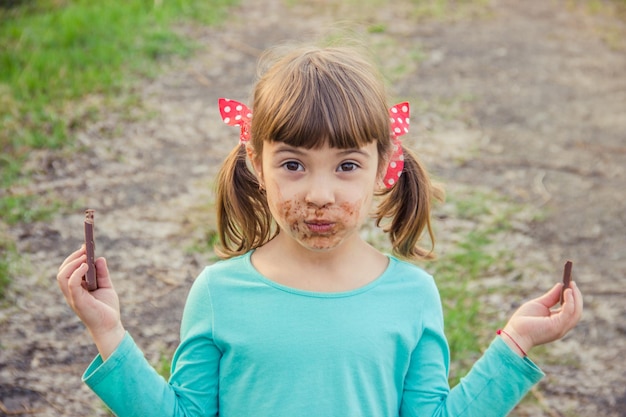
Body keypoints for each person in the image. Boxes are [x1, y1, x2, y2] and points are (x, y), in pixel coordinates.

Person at [57, 44, 583, 417]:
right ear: (255, 164)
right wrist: (108, 333)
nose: (320, 193)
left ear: (385, 168)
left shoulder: (412, 295)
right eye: (293, 164)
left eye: (347, 166)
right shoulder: (218, 292)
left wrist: (517, 340)